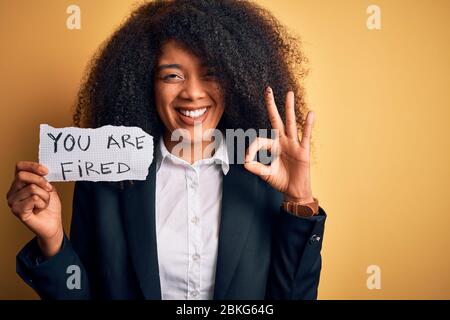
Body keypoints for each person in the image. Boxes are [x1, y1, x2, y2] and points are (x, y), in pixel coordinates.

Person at [6, 0, 327, 300]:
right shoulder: (105, 178)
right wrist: (52, 241)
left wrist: (299, 201)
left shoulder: (264, 172)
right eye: (172, 75)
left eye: (210, 73)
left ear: (235, 78)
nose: (192, 93)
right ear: (146, 81)